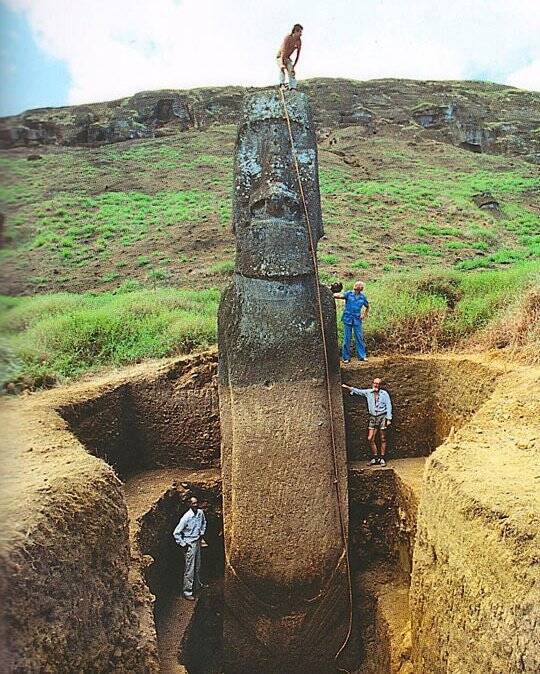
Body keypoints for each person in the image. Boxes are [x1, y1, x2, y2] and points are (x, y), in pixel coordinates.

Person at [342, 378, 392, 467]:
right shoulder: (368, 392)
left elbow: (389, 405)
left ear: (380, 385)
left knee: (383, 438)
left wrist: (389, 419)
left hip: (382, 417)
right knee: (370, 438)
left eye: (378, 383)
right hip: (373, 418)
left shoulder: (384, 394)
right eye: (375, 383)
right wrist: (347, 387)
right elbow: (358, 391)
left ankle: (382, 458)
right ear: (372, 384)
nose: (376, 385)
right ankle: (375, 457)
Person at [173, 496, 207, 601]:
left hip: (197, 542)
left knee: (198, 565)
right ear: (189, 504)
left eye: (196, 503)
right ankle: (187, 592)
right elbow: (176, 533)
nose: (196, 505)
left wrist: (201, 533)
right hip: (189, 544)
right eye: (193, 503)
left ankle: (197, 586)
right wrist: (183, 544)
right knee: (190, 569)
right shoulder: (186, 517)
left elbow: (204, 523)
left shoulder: (200, 513)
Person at [334, 281, 369, 363]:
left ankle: (362, 356)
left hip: (357, 319)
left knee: (359, 338)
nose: (357, 286)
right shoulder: (349, 294)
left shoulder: (362, 297)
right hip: (348, 318)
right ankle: (345, 357)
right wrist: (331, 293)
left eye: (359, 286)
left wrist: (364, 315)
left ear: (361, 288)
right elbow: (340, 296)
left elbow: (367, 306)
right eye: (357, 285)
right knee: (347, 338)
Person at [277, 24, 303, 90]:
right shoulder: (288, 37)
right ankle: (281, 84)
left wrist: (294, 66)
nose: (301, 34)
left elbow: (298, 55)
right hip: (280, 56)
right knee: (282, 68)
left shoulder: (299, 41)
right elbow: (283, 51)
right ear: (295, 31)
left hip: (287, 57)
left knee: (291, 71)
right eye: (300, 32)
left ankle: (292, 87)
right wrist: (282, 64)